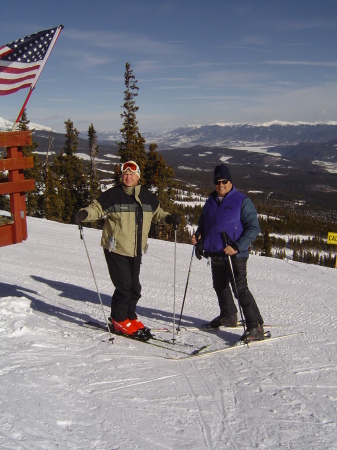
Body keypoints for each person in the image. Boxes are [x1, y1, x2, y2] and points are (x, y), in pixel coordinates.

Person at [71, 160, 181, 337]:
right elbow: (96, 209)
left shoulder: (147, 197)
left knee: (135, 288)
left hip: (136, 249)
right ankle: (119, 320)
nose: (128, 177)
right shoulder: (113, 195)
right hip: (115, 248)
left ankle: (129, 316)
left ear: (138, 176)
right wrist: (83, 214)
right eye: (125, 174)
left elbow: (158, 213)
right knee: (124, 286)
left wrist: (169, 219)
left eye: (131, 174)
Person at [191, 163, 264, 342]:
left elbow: (254, 228)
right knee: (220, 286)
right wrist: (198, 237)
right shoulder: (210, 202)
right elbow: (204, 225)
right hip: (215, 253)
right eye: (217, 182)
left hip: (235, 255)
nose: (220, 185)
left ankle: (255, 326)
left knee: (240, 289)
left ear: (230, 181)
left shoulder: (242, 201)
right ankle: (229, 316)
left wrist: (238, 246)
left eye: (224, 181)